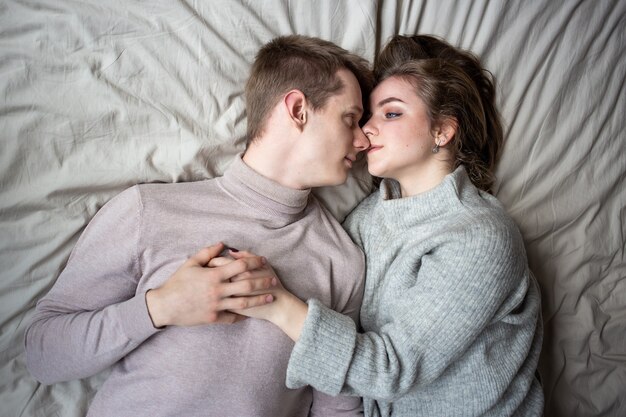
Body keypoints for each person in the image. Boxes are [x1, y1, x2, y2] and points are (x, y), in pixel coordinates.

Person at [24, 35, 373, 417]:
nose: (362, 140)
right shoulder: (149, 211)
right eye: (350, 119)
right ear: (297, 109)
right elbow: (42, 355)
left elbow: (337, 409)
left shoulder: (342, 261)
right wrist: (160, 307)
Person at [229, 35, 545, 416]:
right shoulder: (366, 219)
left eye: (391, 114)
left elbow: (392, 369)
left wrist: (275, 303)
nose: (365, 133)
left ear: (442, 131)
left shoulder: (480, 235)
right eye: (365, 117)